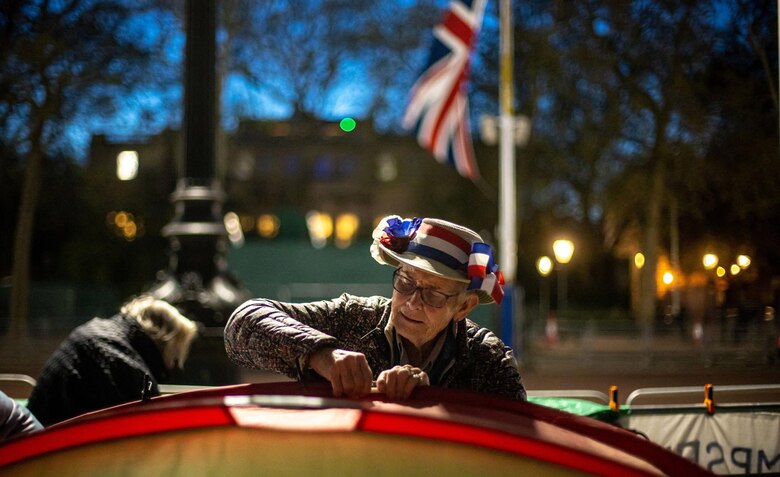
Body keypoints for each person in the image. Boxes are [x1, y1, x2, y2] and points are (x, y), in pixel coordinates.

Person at [225, 215, 526, 401]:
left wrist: (433, 398)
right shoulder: (353, 318)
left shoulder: (489, 361)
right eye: (405, 282)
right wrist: (322, 354)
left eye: (433, 294)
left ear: (464, 307)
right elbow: (242, 323)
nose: (412, 302)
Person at [27, 295, 198, 426]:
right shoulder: (127, 367)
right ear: (165, 342)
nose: (172, 365)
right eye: (175, 354)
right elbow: (150, 433)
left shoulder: (96, 334)